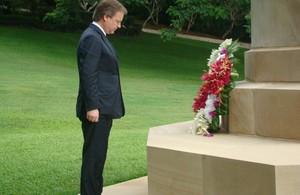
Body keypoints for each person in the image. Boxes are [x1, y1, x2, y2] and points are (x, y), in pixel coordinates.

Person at [76, 0, 127, 194]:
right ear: (105, 17)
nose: (119, 25)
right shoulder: (92, 37)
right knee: (93, 159)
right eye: (117, 21)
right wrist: (93, 107)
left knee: (97, 159)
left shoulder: (99, 36)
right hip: (96, 110)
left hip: (103, 108)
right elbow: (88, 74)